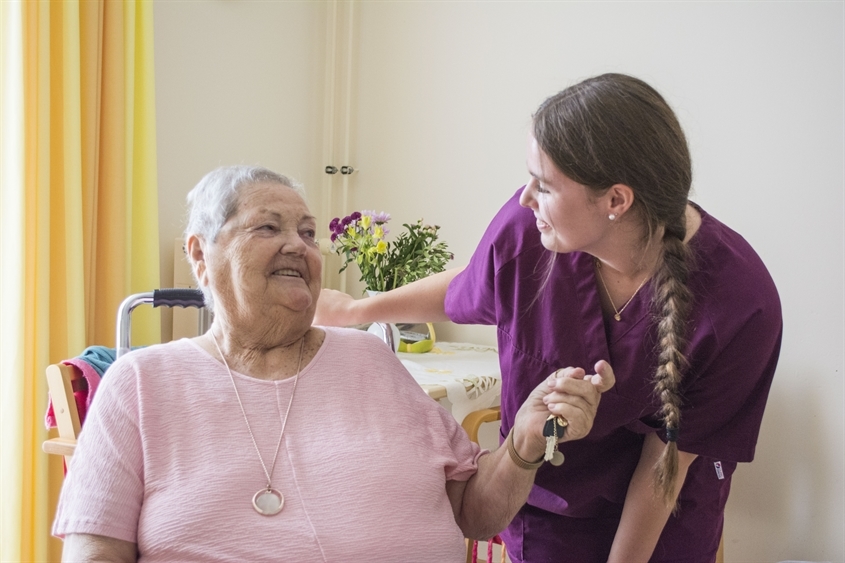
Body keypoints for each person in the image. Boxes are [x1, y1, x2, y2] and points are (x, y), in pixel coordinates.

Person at [315, 73, 783, 563]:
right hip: (547, 516)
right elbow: (469, 287)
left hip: (662, 524)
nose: (524, 199)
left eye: (544, 185)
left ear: (616, 201)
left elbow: (664, 465)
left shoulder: (741, 304)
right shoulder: (528, 233)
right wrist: (357, 309)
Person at [52, 165, 614, 562]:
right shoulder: (141, 384)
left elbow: (473, 511)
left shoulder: (370, 358)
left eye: (307, 233)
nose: (298, 245)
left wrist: (524, 440)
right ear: (200, 254)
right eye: (269, 228)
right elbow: (94, 550)